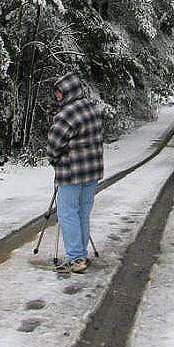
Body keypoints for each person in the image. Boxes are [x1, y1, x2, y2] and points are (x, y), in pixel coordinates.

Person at [47, 71, 104, 273]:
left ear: (69, 91)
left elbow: (54, 144)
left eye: (60, 92)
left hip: (71, 173)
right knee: (82, 213)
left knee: (68, 214)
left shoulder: (67, 114)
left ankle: (76, 257)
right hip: (91, 172)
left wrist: (54, 160)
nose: (57, 96)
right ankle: (81, 254)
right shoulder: (92, 108)